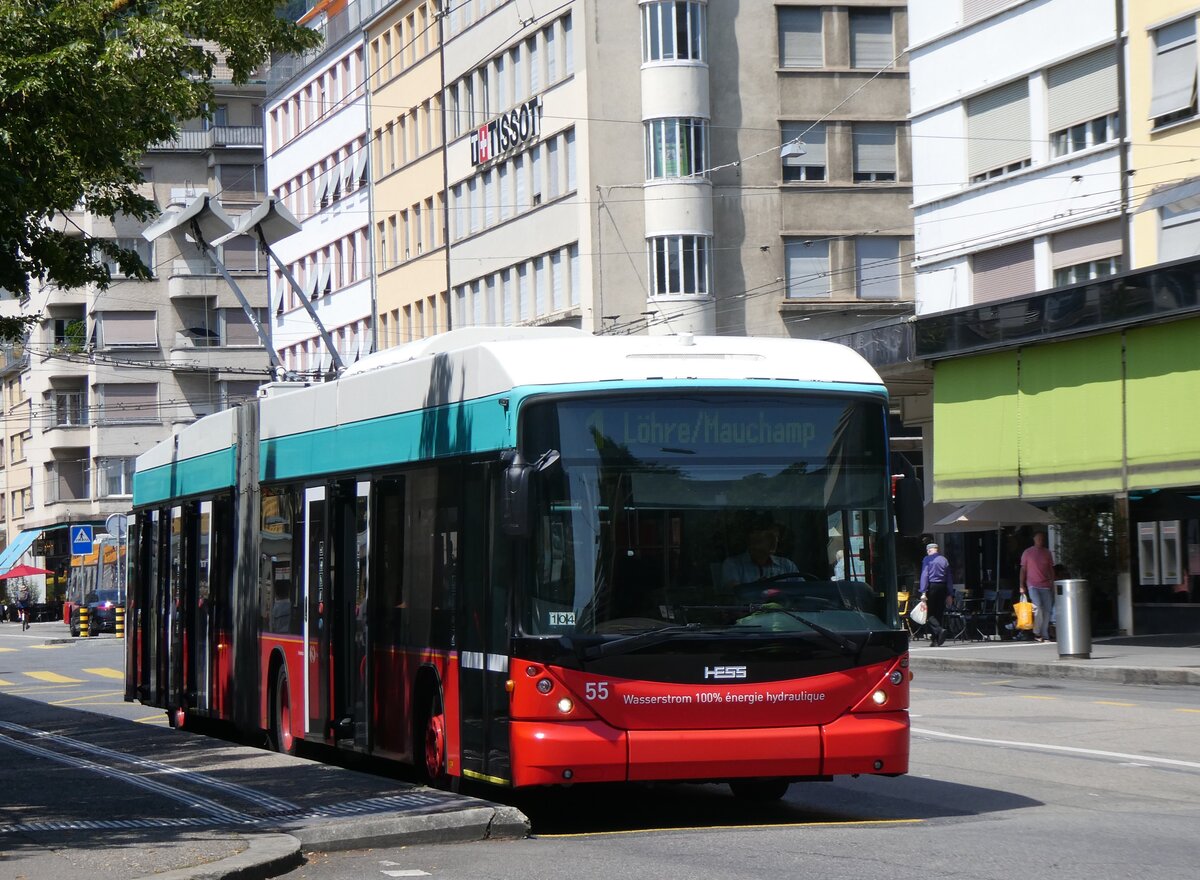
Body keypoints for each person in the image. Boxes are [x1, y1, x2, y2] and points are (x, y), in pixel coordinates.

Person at [722, 516, 799, 587]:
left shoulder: (787, 565)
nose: (775, 542)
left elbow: (802, 591)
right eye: (769, 538)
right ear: (752, 540)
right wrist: (757, 588)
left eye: (776, 538)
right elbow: (735, 594)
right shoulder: (733, 565)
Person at [1020, 531, 1056, 642]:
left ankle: (1044, 634)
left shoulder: (1047, 553)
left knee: (1047, 610)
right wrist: (1021, 585)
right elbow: (1023, 569)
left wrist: (1053, 582)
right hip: (1033, 584)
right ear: (1034, 539)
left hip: (1046, 584)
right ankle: (1037, 632)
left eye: (1042, 539)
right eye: (1038, 538)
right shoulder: (1027, 552)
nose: (1041, 540)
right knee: (1038, 607)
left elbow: (1050, 568)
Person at [919, 543, 954, 646]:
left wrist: (923, 591)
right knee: (939, 613)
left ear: (929, 550)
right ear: (937, 550)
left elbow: (924, 575)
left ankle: (939, 630)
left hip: (932, 586)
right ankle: (935, 640)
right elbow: (949, 578)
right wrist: (949, 593)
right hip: (943, 587)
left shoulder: (927, 559)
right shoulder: (944, 560)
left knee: (929, 613)